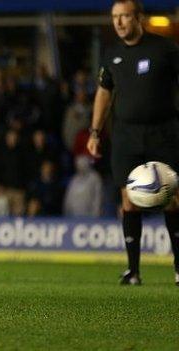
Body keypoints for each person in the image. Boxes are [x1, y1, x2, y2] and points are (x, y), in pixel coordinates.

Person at [87, 0, 179, 285]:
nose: (119, 22)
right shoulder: (112, 54)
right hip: (126, 136)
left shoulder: (165, 49)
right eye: (115, 17)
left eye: (125, 16)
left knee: (172, 197)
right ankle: (133, 270)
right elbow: (103, 94)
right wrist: (94, 132)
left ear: (139, 17)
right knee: (129, 200)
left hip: (163, 132)